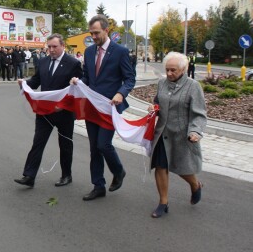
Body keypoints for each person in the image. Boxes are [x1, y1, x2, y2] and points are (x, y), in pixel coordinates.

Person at [70, 15, 136, 201]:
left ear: (106, 31)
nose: (93, 36)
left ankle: (118, 171)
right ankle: (98, 185)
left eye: (96, 33)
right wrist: (78, 82)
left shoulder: (120, 52)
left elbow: (130, 78)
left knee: (103, 144)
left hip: (110, 107)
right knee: (94, 148)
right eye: (91, 33)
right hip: (93, 107)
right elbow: (87, 78)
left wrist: (120, 93)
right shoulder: (89, 52)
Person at [14, 33, 83, 188]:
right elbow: (37, 80)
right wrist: (25, 84)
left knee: (65, 145)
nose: (51, 50)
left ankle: (66, 175)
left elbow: (77, 89)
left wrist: (63, 104)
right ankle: (29, 176)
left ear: (63, 46)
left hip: (64, 112)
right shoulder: (44, 61)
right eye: (49, 47)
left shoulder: (73, 63)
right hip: (45, 111)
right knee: (38, 142)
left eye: (54, 47)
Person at [147, 52, 206, 218]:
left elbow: (199, 113)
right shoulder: (162, 83)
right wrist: (154, 107)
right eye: (167, 70)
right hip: (162, 133)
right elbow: (158, 101)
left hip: (182, 135)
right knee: (160, 166)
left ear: (183, 69)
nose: (169, 73)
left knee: (182, 168)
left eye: (173, 70)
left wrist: (195, 131)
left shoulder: (193, 86)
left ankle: (195, 185)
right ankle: (163, 203)